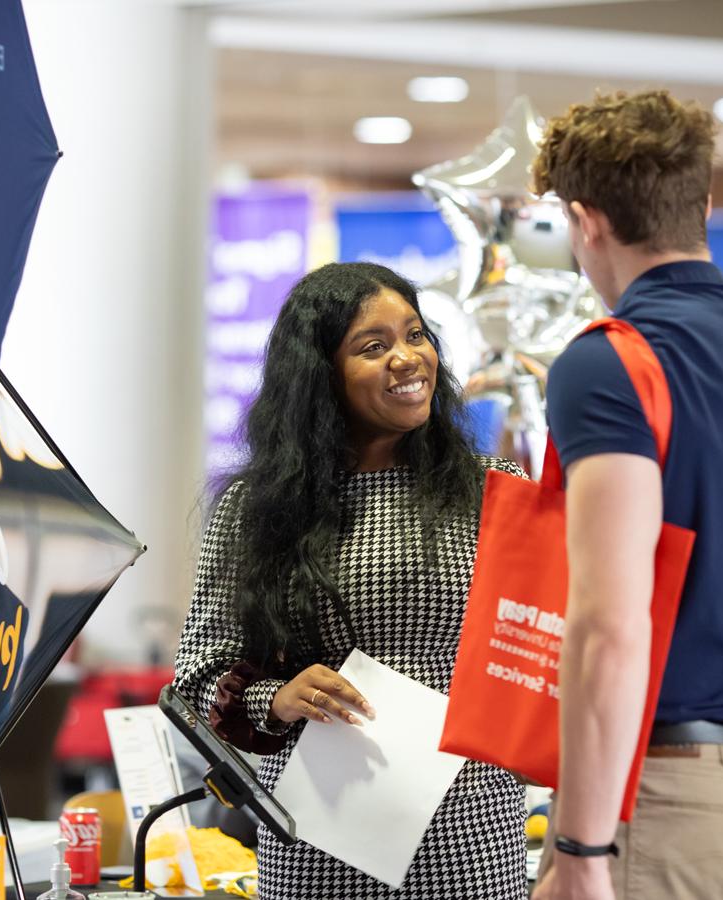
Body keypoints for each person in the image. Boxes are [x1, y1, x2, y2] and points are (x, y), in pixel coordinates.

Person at [527, 89, 723, 900]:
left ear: (586, 221)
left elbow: (610, 623)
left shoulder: (610, 361)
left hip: (680, 800)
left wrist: (582, 848)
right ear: (701, 202)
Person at [173, 262, 528, 900]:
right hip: (318, 847)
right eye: (374, 346)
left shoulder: (495, 489)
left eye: (416, 335)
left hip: (472, 841)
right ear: (319, 376)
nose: (407, 358)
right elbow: (196, 680)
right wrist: (274, 700)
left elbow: (546, 650)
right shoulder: (255, 508)